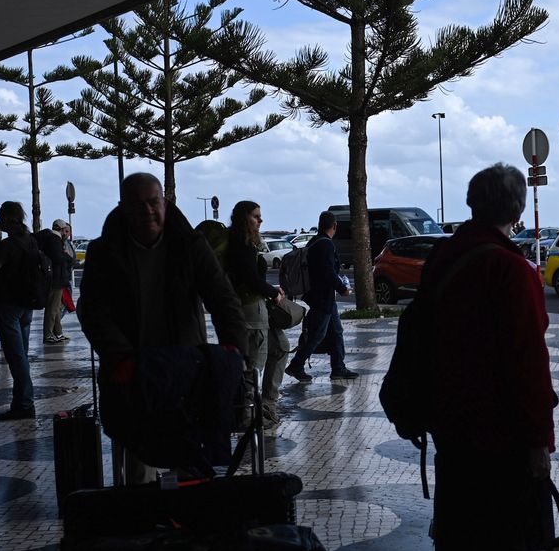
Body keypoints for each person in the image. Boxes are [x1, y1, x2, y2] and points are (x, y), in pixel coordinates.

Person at [425, 165, 559, 551]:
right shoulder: (510, 268)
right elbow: (527, 362)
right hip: (500, 431)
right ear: (517, 209)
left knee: (457, 533)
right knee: (509, 540)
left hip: (450, 421)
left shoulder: (445, 255)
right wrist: (538, 441)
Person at [77, 174, 246, 483]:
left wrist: (234, 348)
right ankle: (144, 522)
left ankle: (193, 521)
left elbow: (222, 297)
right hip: (133, 369)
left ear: (165, 204)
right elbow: (92, 311)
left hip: (186, 367)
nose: (148, 212)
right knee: (139, 456)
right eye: (138, 205)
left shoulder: (190, 244)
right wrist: (119, 358)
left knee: (192, 453)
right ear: (123, 208)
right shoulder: (104, 250)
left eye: (154, 203)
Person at [224, 200, 292, 429]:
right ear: (244, 218)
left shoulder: (246, 243)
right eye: (255, 216)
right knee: (253, 366)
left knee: (281, 347)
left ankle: (267, 404)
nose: (260, 220)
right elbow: (251, 280)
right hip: (250, 312)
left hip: (257, 309)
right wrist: (274, 292)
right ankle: (247, 416)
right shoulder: (240, 244)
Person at [0, 201, 48, 420]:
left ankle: (24, 403)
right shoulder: (30, 240)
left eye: (0, 216)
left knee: (16, 356)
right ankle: (22, 401)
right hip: (27, 304)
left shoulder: (7, 245)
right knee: (22, 354)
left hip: (8, 304)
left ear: (5, 218)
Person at [285, 211, 356, 382]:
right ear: (335, 226)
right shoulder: (326, 244)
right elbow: (328, 272)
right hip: (323, 298)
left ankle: (338, 368)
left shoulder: (314, 241)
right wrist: (342, 289)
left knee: (336, 331)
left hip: (318, 296)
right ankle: (296, 365)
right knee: (318, 334)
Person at [37, 219, 76, 344]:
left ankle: (58, 333)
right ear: (61, 229)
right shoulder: (55, 239)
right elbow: (58, 258)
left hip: (56, 279)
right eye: (65, 230)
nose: (66, 233)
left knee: (56, 309)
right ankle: (48, 334)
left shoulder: (52, 238)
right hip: (56, 280)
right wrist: (66, 257)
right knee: (52, 309)